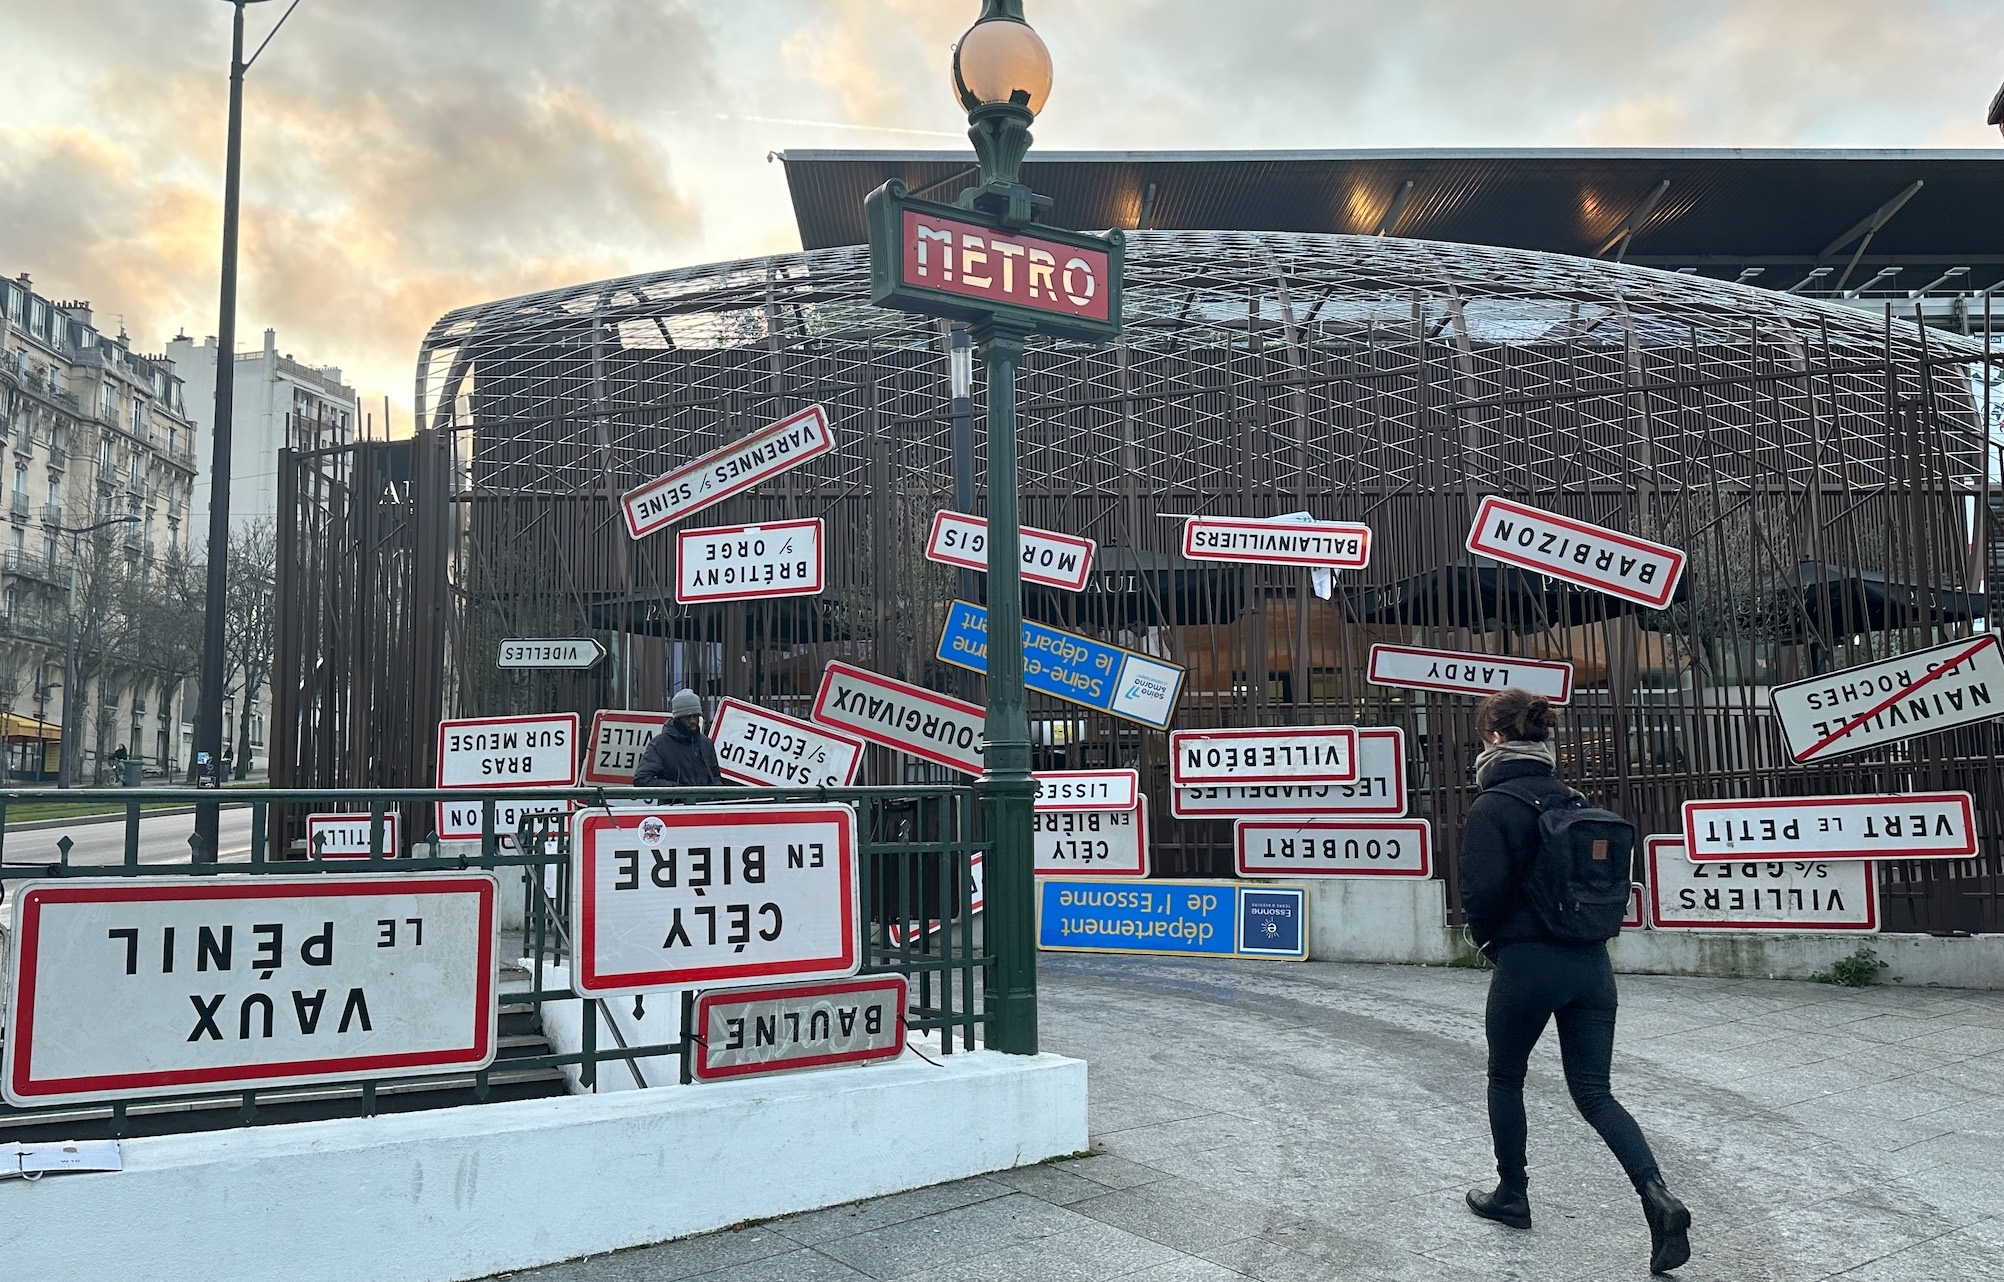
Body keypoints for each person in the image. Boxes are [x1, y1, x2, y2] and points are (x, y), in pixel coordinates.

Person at [1459, 687, 1691, 1275]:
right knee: (1595, 1092)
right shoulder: (1573, 799)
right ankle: (1657, 1194)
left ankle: (1512, 1195)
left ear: (1492, 737)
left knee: (1505, 1077)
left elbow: (1480, 895)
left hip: (1528, 964)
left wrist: (1490, 942)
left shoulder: (1492, 806)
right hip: (1591, 963)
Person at [632, 689, 722, 787]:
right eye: (687, 717)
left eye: (696, 716)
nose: (693, 721)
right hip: (675, 801)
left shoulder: (706, 744)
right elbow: (642, 779)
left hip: (706, 802)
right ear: (677, 719)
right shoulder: (660, 745)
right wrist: (677, 790)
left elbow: (715, 776)